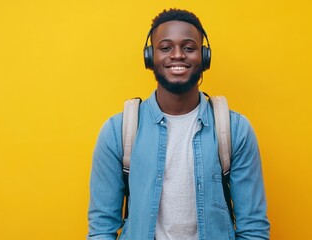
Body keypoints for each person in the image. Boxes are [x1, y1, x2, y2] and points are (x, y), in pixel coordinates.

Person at [87, 8, 270, 240]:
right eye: (165, 47)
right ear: (150, 57)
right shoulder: (117, 131)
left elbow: (253, 226)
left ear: (204, 57)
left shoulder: (234, 130)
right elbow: (102, 227)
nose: (177, 55)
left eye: (188, 47)